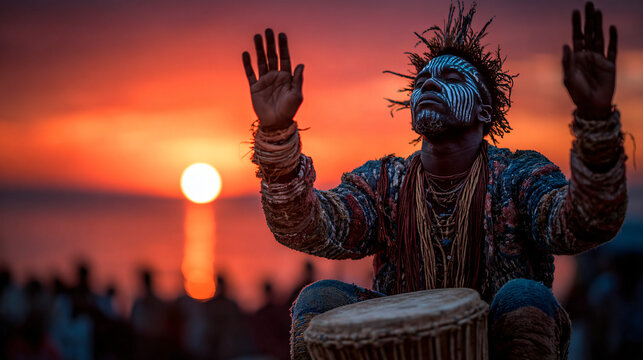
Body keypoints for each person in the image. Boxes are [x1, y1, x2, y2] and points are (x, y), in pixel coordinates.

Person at [242, 2, 627, 359]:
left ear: (483, 110)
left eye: (451, 77)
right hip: (397, 341)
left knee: (525, 296)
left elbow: (583, 224)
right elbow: (306, 227)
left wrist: (595, 123)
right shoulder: (384, 182)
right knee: (319, 299)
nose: (428, 84)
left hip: (492, 341)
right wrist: (277, 135)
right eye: (421, 81)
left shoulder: (518, 175)